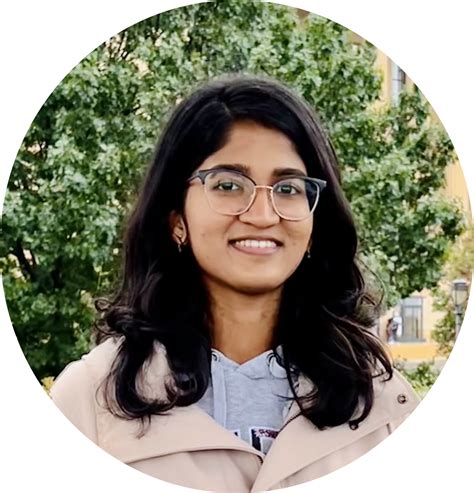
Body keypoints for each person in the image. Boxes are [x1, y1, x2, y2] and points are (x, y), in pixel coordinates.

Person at [50, 74, 420, 492]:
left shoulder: (383, 405)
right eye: (228, 185)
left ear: (315, 223)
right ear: (176, 219)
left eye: (288, 188)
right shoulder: (90, 402)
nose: (262, 215)